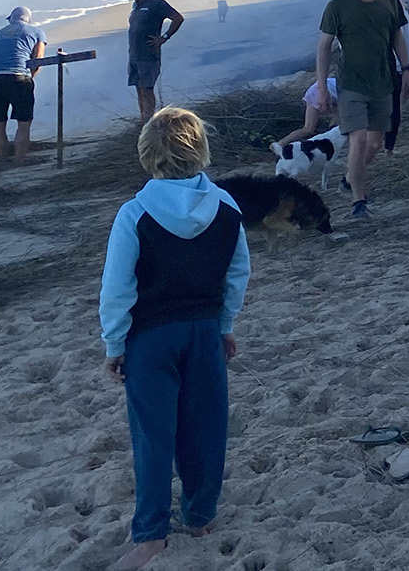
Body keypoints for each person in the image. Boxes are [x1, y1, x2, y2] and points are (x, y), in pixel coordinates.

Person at [97, 107, 249, 571]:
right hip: (203, 331)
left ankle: (151, 536)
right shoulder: (226, 207)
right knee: (205, 427)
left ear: (148, 156)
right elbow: (237, 272)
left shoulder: (135, 213)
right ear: (200, 150)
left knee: (153, 436)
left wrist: (114, 343)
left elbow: (118, 287)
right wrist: (224, 325)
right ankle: (200, 516)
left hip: (150, 339)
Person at [316, 0, 409, 220]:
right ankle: (359, 202)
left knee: (375, 144)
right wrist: (322, 86)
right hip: (351, 84)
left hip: (383, 82)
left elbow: (397, 36)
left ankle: (349, 179)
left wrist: (407, 70)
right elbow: (324, 47)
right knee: (358, 141)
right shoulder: (336, 7)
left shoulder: (389, 0)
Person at [0, 6, 46, 160]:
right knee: (24, 123)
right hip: (19, 77)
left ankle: (2, 160)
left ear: (11, 19)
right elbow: (38, 60)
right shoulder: (37, 32)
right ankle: (19, 161)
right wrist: (28, 78)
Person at [128, 0, 185, 125]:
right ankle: (143, 120)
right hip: (134, 55)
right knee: (138, 89)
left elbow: (178, 18)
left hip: (149, 55)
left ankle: (150, 122)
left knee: (147, 89)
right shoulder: (136, 6)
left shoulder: (157, 4)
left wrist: (164, 37)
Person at [271, 76, 337, 148]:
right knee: (308, 129)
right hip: (317, 93)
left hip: (319, 91)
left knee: (337, 119)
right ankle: (281, 144)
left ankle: (280, 144)